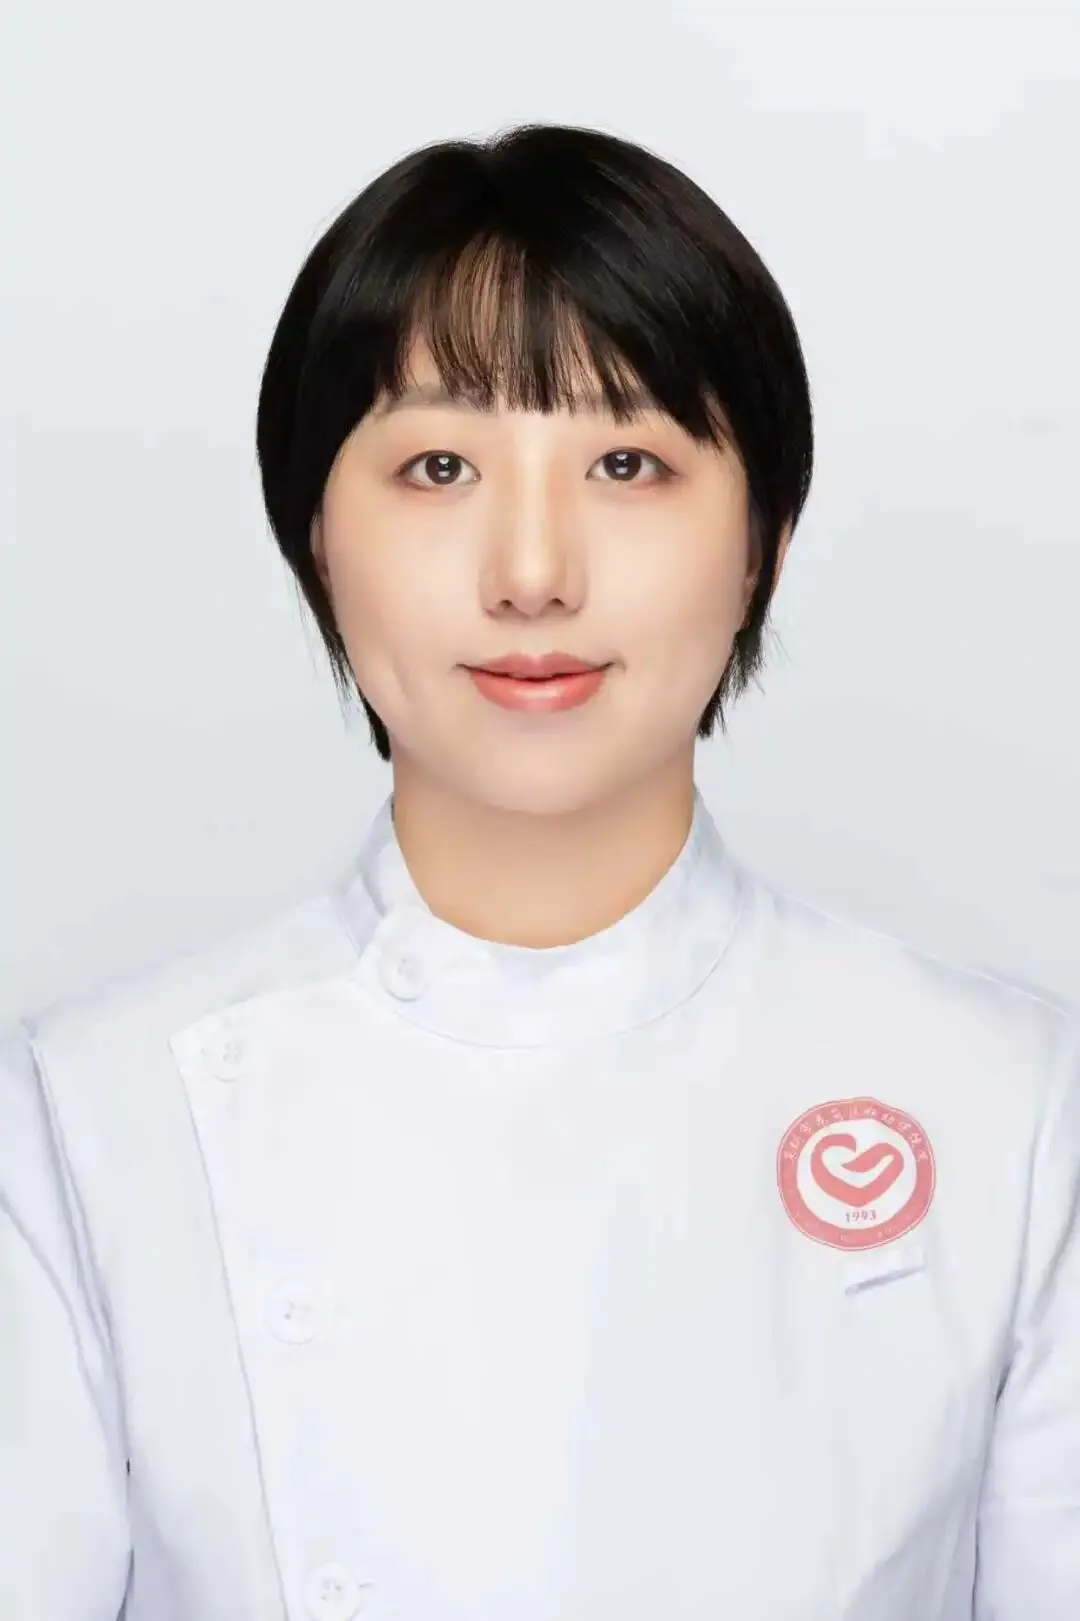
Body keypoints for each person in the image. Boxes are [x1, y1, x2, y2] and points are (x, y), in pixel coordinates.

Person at [0, 122, 1076, 1621]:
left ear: (761, 541)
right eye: (437, 465)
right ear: (317, 540)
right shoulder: (85, 1121)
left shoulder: (1012, 1107)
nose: (531, 573)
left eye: (628, 462)